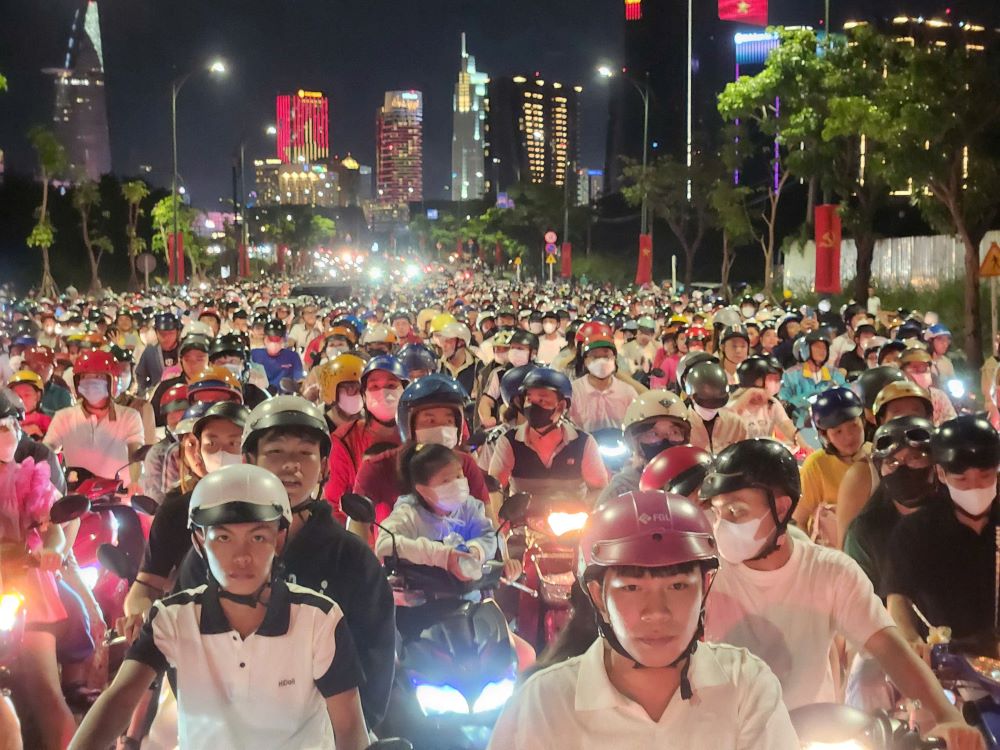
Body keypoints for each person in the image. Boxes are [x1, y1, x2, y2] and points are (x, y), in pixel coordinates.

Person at [700, 439, 984, 748]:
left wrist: (948, 718)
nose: (723, 525)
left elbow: (889, 648)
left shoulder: (830, 572)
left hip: (813, 735)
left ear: (780, 507)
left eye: (735, 511)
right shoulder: (702, 576)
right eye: (718, 513)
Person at [70, 464, 371, 750]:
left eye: (258, 537)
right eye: (223, 538)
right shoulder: (172, 619)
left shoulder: (319, 619)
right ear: (200, 542)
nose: (242, 556)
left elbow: (348, 728)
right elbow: (119, 699)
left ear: (278, 541)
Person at [488, 489, 800, 750]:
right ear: (598, 596)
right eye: (632, 588)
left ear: (704, 587)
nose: (657, 612)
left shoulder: (745, 687)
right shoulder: (544, 703)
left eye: (677, 586)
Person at [171, 396, 397, 728]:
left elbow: (373, 667)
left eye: (306, 453)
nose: (292, 465)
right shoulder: (211, 550)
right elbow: (184, 650)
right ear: (249, 459)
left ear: (323, 465)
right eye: (276, 452)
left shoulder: (351, 557)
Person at [118, 401, 251, 646]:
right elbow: (146, 585)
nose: (222, 453)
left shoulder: (275, 510)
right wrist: (139, 614)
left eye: (234, 442)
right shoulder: (176, 510)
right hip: (190, 642)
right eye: (212, 443)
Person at [886, 415, 1000, 650]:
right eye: (962, 479)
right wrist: (910, 640)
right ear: (941, 474)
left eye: (985, 477)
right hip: (946, 661)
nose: (975, 487)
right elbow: (898, 595)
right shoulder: (915, 532)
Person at [0, 406, 76, 750]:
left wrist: (52, 550)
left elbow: (53, 529)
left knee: (47, 692)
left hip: (27, 586)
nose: (7, 432)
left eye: (10, 424)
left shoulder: (31, 476)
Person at [351, 373, 490, 534]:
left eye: (449, 421)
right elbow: (356, 528)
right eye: (430, 421)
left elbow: (487, 521)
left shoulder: (466, 464)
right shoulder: (377, 468)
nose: (442, 428)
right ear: (408, 425)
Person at [376, 442, 497, 606]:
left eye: (459, 476)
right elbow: (384, 544)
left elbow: (488, 535)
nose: (457, 484)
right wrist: (443, 556)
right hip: (422, 608)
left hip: (470, 604)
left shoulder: (469, 507)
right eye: (446, 480)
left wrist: (476, 550)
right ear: (423, 490)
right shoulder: (409, 514)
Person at [844, 415, 937, 599]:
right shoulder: (865, 531)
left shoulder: (960, 514)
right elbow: (860, 602)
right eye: (891, 462)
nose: (903, 468)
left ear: (936, 464)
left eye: (914, 457)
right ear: (880, 469)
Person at [835, 381, 934, 547]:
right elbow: (847, 549)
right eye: (897, 414)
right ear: (881, 421)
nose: (905, 421)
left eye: (914, 413)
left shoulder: (944, 463)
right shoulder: (863, 474)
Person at [489, 367, 608, 502]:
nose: (533, 407)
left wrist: (584, 509)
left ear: (561, 406)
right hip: (522, 521)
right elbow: (495, 488)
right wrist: (500, 519)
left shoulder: (583, 442)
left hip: (571, 519)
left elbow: (600, 489)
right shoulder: (509, 441)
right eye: (529, 400)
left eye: (542, 400)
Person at [323, 355, 408, 522]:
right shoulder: (345, 440)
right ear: (364, 395)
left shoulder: (418, 434)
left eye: (391, 385)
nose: (383, 393)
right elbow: (333, 504)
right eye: (374, 386)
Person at [44, 349, 146, 486]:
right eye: (85, 377)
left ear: (112, 381)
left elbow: (136, 454)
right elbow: (47, 451)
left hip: (120, 496)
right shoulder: (63, 417)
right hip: (76, 496)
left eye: (98, 377)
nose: (91, 383)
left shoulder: (130, 417)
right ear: (77, 382)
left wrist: (136, 483)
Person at [793, 387, 869, 546]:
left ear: (863, 421)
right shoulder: (816, 465)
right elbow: (799, 520)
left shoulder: (875, 455)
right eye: (838, 432)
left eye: (853, 426)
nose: (848, 436)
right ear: (824, 435)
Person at [597, 389, 691, 504]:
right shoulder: (620, 492)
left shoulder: (694, 484)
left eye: (674, 432)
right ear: (635, 441)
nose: (665, 440)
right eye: (653, 433)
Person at [728, 355, 809, 451]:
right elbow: (727, 424)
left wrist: (806, 448)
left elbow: (788, 428)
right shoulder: (733, 404)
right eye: (771, 379)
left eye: (778, 380)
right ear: (753, 378)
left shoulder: (772, 404)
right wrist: (750, 394)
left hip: (764, 455)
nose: (775, 384)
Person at [569, 337, 639, 433]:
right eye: (595, 357)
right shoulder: (574, 391)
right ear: (585, 361)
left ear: (614, 359)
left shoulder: (628, 392)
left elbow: (637, 424)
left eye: (606, 357)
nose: (601, 362)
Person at [779, 331, 847, 428]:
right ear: (805, 349)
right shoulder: (791, 375)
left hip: (832, 424)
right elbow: (784, 402)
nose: (822, 351)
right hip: (801, 426)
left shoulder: (834, 374)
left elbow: (846, 394)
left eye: (825, 348)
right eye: (818, 347)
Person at [683, 360, 747, 454]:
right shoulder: (682, 427)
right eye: (706, 400)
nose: (711, 408)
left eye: (717, 401)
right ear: (691, 396)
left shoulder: (736, 424)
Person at [899, 348, 956, 426]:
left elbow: (951, 422)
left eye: (924, 368)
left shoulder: (939, 396)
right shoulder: (899, 399)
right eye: (915, 368)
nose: (921, 373)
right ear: (902, 371)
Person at [250, 318, 304, 393]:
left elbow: (299, 380)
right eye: (271, 339)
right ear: (264, 339)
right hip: (260, 398)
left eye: (277, 340)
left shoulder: (293, 357)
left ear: (283, 340)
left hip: (285, 399)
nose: (274, 343)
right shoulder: (254, 355)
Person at [315, 353, 366, 430]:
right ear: (330, 390)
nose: (357, 393)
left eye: (360, 387)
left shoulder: (370, 427)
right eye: (349, 387)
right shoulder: (318, 431)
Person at [135, 312, 181, 397]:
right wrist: (144, 393)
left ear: (177, 333)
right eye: (162, 334)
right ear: (156, 332)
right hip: (157, 397)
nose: (166, 338)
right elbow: (140, 374)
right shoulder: (150, 352)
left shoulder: (184, 351)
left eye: (170, 334)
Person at [8, 369, 51, 439]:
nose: (21, 400)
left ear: (38, 396)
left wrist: (41, 437)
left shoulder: (47, 421)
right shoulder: (5, 420)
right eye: (17, 395)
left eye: (27, 395)